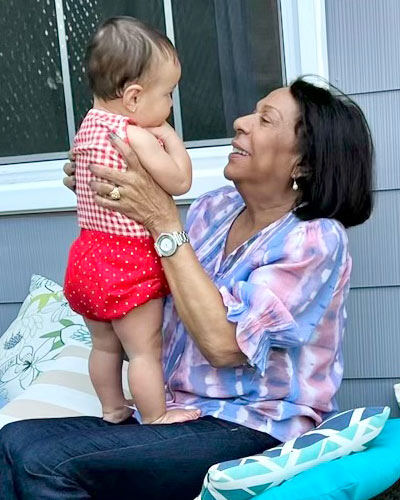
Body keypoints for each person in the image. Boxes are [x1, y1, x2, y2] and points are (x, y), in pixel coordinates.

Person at [0, 78, 373, 500]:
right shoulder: (213, 209)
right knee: (11, 441)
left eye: (264, 120)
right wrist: (105, 191)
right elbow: (147, 300)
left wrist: (162, 220)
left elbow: (223, 346)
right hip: (171, 414)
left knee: (46, 460)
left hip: (251, 427)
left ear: (302, 164)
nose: (240, 122)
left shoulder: (315, 240)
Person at [63, 17, 195, 425]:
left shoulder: (87, 128)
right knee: (142, 350)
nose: (170, 105)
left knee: (103, 346)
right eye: (168, 95)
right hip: (126, 262)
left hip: (86, 256)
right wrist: (171, 139)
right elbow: (180, 180)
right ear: (134, 98)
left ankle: (112, 408)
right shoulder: (132, 134)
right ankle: (155, 415)